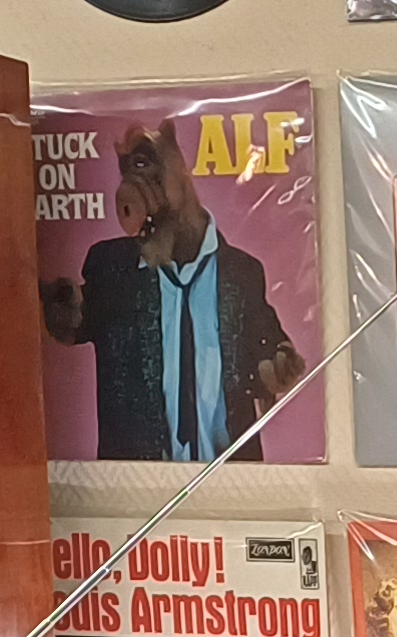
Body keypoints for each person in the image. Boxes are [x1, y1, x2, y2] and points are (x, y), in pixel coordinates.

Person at [43, 119, 307, 462]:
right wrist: (56, 300)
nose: (140, 191)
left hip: (230, 478)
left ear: (180, 169)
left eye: (151, 173)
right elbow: (73, 322)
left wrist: (278, 366)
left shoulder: (243, 272)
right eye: (130, 174)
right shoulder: (110, 268)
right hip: (136, 485)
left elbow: (267, 345)